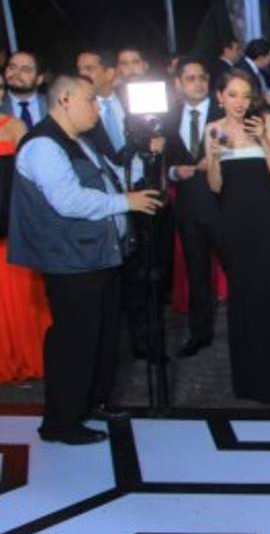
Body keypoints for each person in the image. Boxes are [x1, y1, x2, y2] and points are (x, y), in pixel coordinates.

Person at [8, 75, 163, 443]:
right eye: (90, 100)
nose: (97, 107)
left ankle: (93, 402)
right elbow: (69, 201)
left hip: (100, 255)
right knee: (75, 341)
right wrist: (127, 202)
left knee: (104, 337)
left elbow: (112, 181)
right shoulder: (44, 146)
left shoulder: (83, 141)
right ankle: (61, 422)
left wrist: (143, 157)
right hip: (71, 260)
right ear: (64, 100)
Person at [203, 68, 270, 402]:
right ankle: (252, 379)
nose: (240, 102)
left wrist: (261, 139)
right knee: (246, 294)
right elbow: (215, 186)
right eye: (232, 94)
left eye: (245, 95)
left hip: (269, 219)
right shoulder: (212, 130)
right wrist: (213, 158)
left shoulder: (267, 121)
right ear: (219, 97)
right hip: (235, 222)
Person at [164, 57, 225, 357]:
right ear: (178, 83)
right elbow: (163, 163)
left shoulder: (223, 111)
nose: (198, 83)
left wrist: (215, 161)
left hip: (223, 204)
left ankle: (251, 331)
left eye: (202, 77)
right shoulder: (168, 117)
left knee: (238, 269)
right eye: (190, 78)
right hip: (188, 207)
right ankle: (199, 333)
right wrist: (176, 172)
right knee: (197, 273)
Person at [0, 111, 49, 382]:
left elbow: (28, 178)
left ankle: (25, 356)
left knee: (18, 294)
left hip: (8, 226)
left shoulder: (15, 126)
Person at [0, 51, 47, 128]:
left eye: (25, 69)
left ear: (39, 79)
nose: (16, 73)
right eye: (12, 67)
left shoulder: (53, 105)